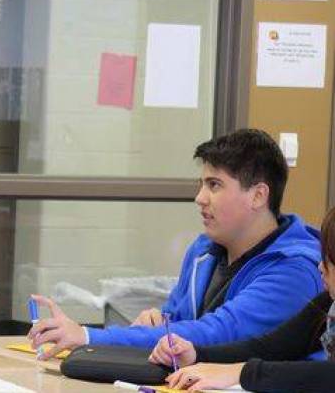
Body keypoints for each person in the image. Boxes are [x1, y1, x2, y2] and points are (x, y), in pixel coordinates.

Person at [28, 129, 323, 359]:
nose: (200, 198)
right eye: (201, 184)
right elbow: (178, 323)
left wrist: (89, 336)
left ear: (258, 196)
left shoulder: (295, 271)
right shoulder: (204, 251)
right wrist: (157, 321)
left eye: (214, 185)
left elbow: (218, 333)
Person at [149, 206, 335, 392]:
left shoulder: (293, 269)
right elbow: (274, 346)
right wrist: (196, 355)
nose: (320, 267)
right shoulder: (327, 303)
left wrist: (239, 372)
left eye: (330, 260)